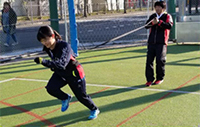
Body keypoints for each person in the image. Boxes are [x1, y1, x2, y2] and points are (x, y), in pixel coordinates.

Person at [34, 26, 100, 120]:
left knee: (81, 97)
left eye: (45, 39)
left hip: (74, 73)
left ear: (52, 36)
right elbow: (56, 64)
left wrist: (44, 62)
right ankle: (65, 98)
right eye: (42, 41)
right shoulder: (48, 48)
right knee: (51, 88)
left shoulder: (64, 46)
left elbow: (62, 64)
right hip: (61, 73)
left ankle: (94, 109)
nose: (44, 43)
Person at [144, 1, 173, 87]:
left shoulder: (167, 16)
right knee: (149, 61)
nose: (157, 8)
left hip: (161, 43)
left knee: (160, 61)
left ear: (163, 8)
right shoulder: (152, 16)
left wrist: (159, 22)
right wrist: (152, 23)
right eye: (156, 7)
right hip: (151, 42)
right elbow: (146, 26)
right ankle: (149, 79)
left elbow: (169, 26)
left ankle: (160, 78)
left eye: (159, 7)